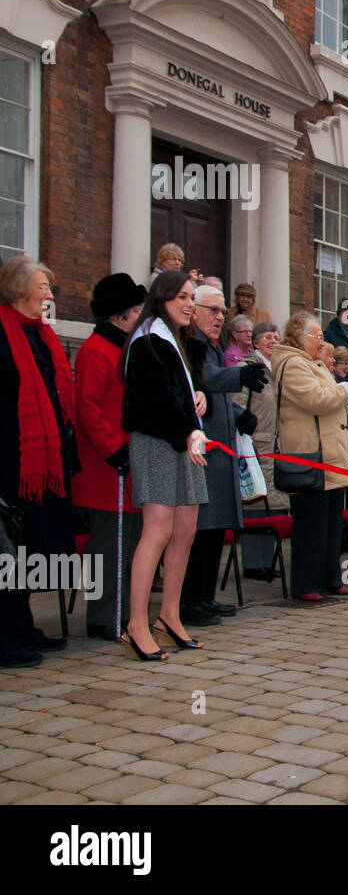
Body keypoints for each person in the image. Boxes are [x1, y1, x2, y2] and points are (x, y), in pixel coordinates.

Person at [120, 271, 210, 659]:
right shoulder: (147, 342)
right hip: (159, 444)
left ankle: (168, 615)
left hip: (184, 442)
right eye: (183, 296)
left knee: (185, 529)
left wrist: (199, 395)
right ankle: (135, 623)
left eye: (192, 297)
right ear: (163, 297)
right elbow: (152, 405)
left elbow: (182, 391)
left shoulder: (176, 341)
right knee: (156, 532)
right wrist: (187, 430)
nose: (190, 303)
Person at [0, 257, 77, 667]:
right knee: (7, 552)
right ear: (18, 289)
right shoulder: (2, 333)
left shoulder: (41, 336)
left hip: (44, 464)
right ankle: (4, 634)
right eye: (43, 287)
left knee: (31, 548)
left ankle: (21, 624)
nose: (49, 294)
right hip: (10, 461)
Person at [181, 285, 268, 625]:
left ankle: (205, 596)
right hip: (203, 449)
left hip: (220, 446)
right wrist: (238, 375)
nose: (220, 317)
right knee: (201, 530)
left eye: (222, 311)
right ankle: (190, 601)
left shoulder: (212, 345)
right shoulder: (191, 344)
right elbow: (202, 379)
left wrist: (238, 416)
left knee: (215, 530)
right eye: (213, 310)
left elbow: (214, 394)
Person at [73, 273, 146, 642]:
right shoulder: (95, 351)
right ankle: (103, 616)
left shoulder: (122, 348)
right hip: (108, 466)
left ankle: (122, 613)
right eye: (134, 310)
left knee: (128, 543)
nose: (139, 316)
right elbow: (86, 409)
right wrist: (114, 449)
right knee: (108, 547)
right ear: (118, 315)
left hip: (126, 462)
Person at [272, 313, 348, 600]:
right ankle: (307, 583)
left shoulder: (313, 364)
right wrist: (347, 388)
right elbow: (319, 400)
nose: (322, 342)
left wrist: (342, 389)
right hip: (311, 454)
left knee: (331, 522)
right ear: (298, 336)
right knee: (311, 523)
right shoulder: (293, 364)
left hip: (330, 454)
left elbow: (334, 400)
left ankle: (330, 577)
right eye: (316, 337)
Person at [240, 322, 286, 579]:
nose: (273, 340)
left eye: (276, 336)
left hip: (276, 445)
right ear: (255, 342)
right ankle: (252, 562)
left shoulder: (278, 371)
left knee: (275, 504)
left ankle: (267, 561)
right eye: (267, 337)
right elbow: (238, 404)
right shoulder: (247, 370)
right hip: (255, 444)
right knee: (254, 504)